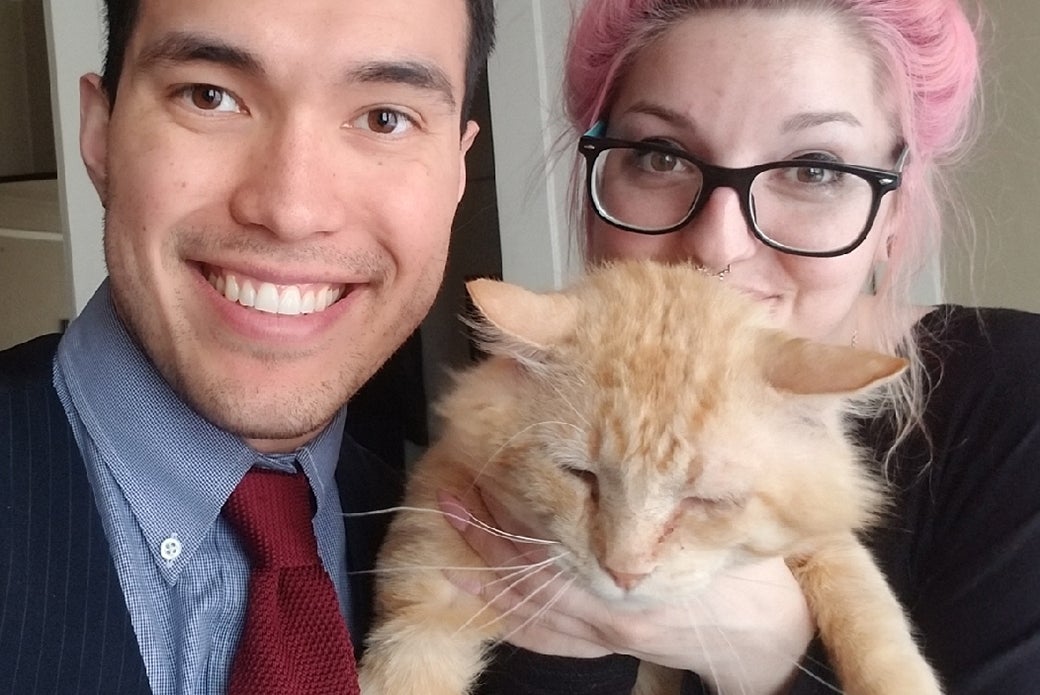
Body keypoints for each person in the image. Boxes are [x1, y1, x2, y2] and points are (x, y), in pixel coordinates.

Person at [444, 1, 1040, 694]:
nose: (718, 246)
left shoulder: (1016, 404)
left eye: (813, 169)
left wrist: (771, 657)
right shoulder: (534, 394)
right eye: (661, 156)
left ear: (895, 206)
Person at [0, 0, 494, 693]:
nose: (292, 210)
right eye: (209, 96)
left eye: (385, 118)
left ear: (456, 172)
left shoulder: (481, 558)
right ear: (101, 132)